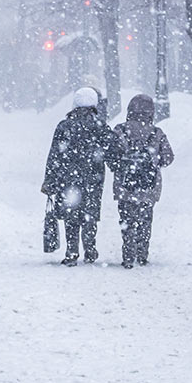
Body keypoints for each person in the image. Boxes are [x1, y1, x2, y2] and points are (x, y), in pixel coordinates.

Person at [42, 86, 123, 266]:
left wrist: (50, 180)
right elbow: (114, 153)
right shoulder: (99, 126)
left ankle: (71, 252)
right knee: (89, 214)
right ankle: (90, 248)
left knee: (71, 214)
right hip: (92, 179)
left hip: (68, 178)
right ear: (94, 104)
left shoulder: (64, 126)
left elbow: (54, 155)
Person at [111, 94, 174, 268]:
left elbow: (112, 156)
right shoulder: (157, 132)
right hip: (149, 186)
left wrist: (122, 164)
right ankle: (142, 253)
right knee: (145, 220)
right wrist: (154, 162)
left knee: (127, 220)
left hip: (125, 186)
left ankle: (128, 255)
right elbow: (169, 157)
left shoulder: (120, 130)